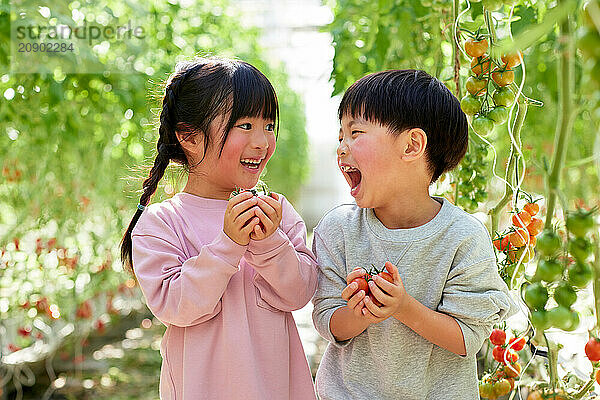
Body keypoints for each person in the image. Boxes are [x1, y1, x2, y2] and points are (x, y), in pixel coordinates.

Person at [120, 57, 318, 400]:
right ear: (190, 137)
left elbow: (300, 293)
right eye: (244, 125)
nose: (262, 141)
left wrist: (271, 243)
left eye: (268, 125)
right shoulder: (162, 223)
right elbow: (175, 305)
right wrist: (228, 245)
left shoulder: (275, 212)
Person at [311, 69, 516, 399]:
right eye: (340, 138)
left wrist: (403, 307)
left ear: (412, 145)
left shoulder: (463, 238)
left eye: (356, 133)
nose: (342, 149)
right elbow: (328, 323)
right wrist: (359, 311)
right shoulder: (338, 231)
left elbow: (468, 338)